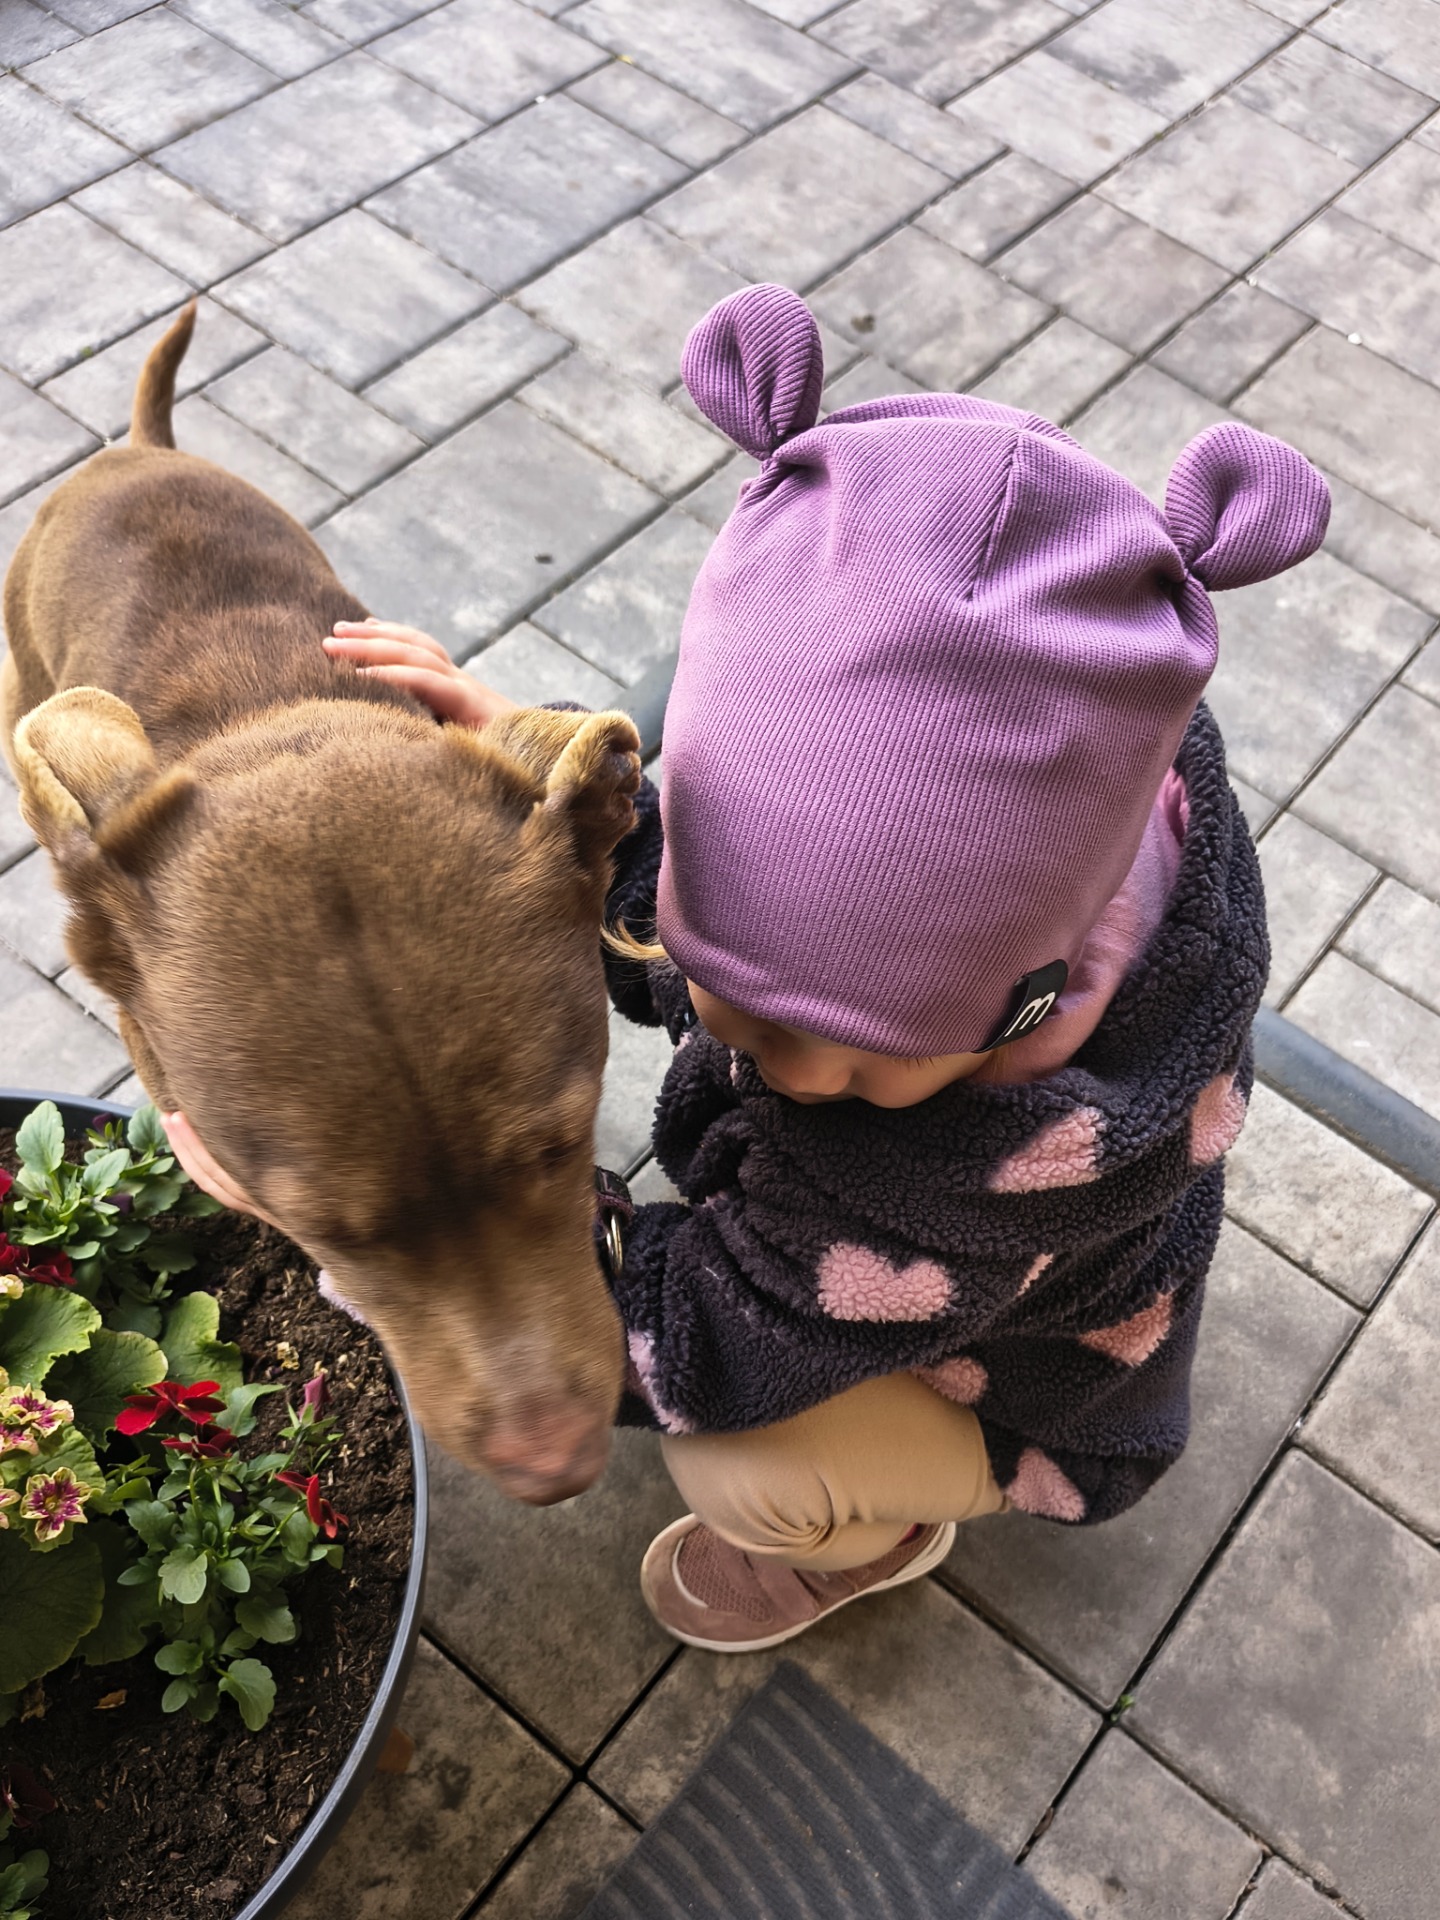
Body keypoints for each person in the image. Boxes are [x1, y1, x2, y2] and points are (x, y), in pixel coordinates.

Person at [167, 283, 1330, 1655]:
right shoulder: (1067, 851)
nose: (790, 1070)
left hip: (1013, 1383)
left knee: (734, 1461)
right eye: (740, 1003)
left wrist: (368, 1245)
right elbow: (686, 895)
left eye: (857, 1053)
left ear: (1029, 993)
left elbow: (701, 1339)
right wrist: (523, 794)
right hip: (914, 1254)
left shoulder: (969, 1188)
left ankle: (871, 1527)